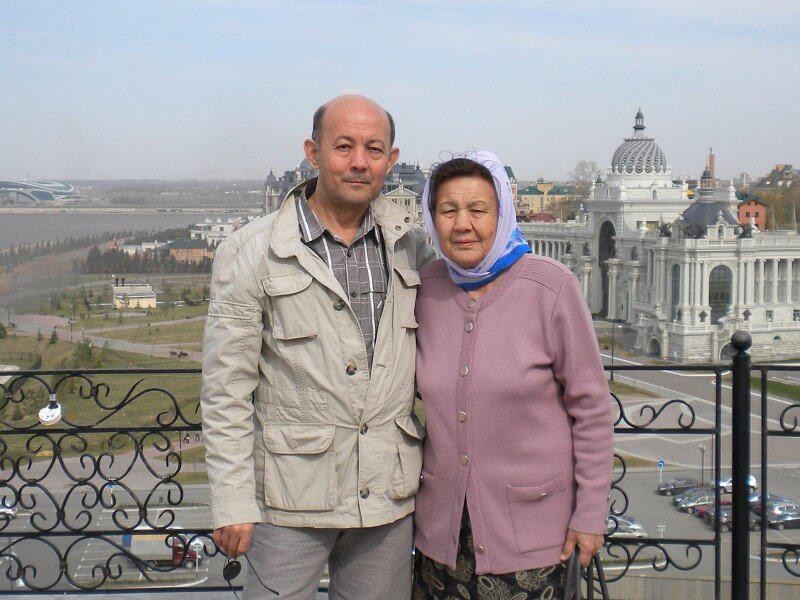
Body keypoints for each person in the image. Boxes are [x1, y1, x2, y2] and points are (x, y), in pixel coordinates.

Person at [200, 94, 434, 599]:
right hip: (289, 503)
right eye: (343, 146)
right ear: (313, 152)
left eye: (374, 149)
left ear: (391, 161)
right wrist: (232, 499)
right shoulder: (252, 251)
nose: (358, 162)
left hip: (386, 501)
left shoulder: (409, 245)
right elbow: (226, 390)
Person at [412, 152, 613, 599]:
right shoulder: (422, 289)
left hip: (536, 542)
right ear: (431, 218)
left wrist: (590, 515)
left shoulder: (551, 288)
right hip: (441, 544)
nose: (462, 224)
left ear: (502, 214)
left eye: (478, 210)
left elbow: (593, 411)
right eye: (447, 210)